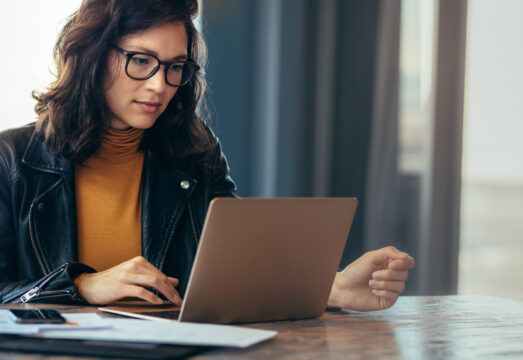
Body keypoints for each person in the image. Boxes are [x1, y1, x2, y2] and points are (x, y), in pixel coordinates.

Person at [0, 0, 414, 311]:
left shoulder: (195, 154)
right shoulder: (11, 160)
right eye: (141, 61)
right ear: (93, 55)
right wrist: (82, 286)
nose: (161, 85)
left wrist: (334, 287)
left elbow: (234, 272)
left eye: (175, 66)